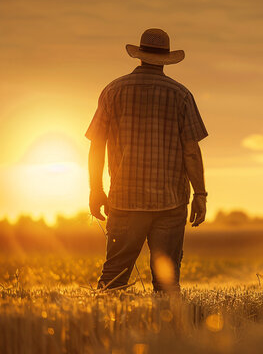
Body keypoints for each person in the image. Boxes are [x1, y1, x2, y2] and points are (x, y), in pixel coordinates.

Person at [85, 28, 208, 292]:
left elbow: (97, 145)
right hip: (170, 203)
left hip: (124, 200)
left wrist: (96, 189)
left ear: (139, 56)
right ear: (166, 59)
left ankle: (103, 330)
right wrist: (200, 193)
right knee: (167, 282)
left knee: (113, 280)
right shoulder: (181, 95)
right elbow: (191, 151)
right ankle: (165, 332)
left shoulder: (113, 91)